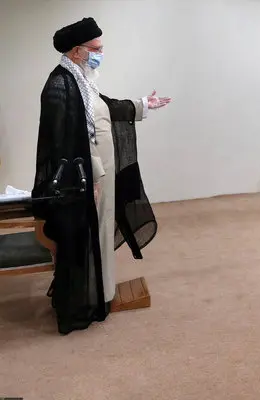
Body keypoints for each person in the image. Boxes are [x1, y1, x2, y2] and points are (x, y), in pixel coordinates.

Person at [31, 17, 171, 335]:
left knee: (102, 234)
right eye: (96, 49)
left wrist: (142, 105)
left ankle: (102, 293)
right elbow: (62, 141)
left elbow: (104, 107)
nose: (100, 54)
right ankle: (88, 300)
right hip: (86, 180)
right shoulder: (60, 85)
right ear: (77, 51)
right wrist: (90, 178)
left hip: (98, 176)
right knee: (89, 237)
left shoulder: (81, 79)